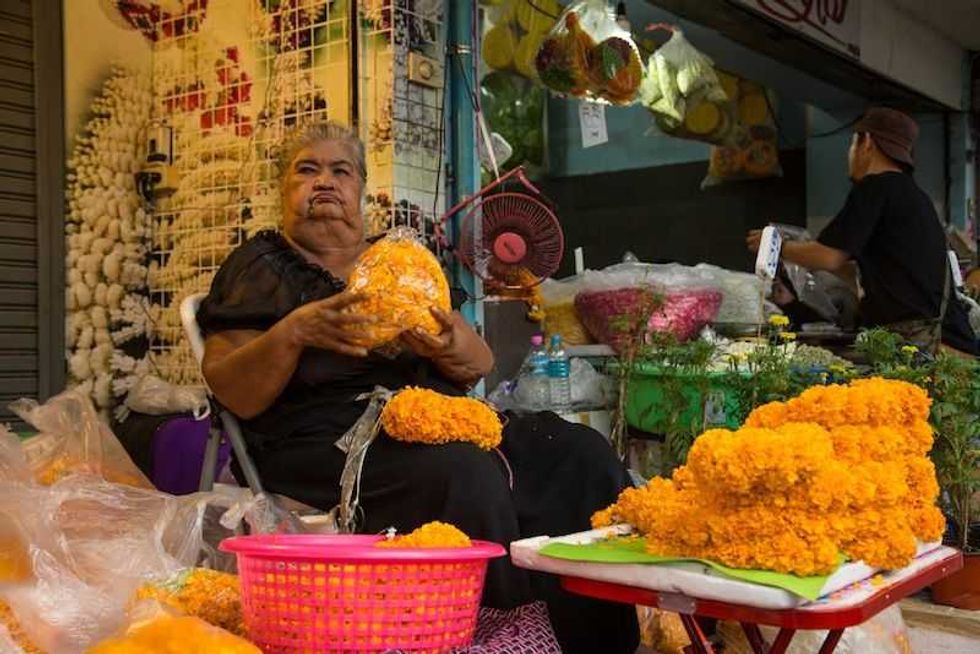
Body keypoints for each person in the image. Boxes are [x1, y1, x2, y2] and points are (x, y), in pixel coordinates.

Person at [196, 121, 639, 653]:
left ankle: (593, 642)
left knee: (580, 454)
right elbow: (231, 388)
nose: (324, 182)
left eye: (341, 171)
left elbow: (477, 361)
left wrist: (446, 342)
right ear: (283, 189)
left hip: (434, 417)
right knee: (463, 473)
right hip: (324, 438)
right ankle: (501, 639)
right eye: (306, 170)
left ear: (361, 189)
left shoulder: (399, 262)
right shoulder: (261, 265)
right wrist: (295, 331)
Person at [748, 107, 978, 356]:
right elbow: (860, 271)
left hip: (933, 348)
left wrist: (775, 246)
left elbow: (829, 256)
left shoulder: (875, 187)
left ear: (866, 142)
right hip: (952, 344)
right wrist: (804, 258)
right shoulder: (913, 196)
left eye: (852, 144)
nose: (850, 154)